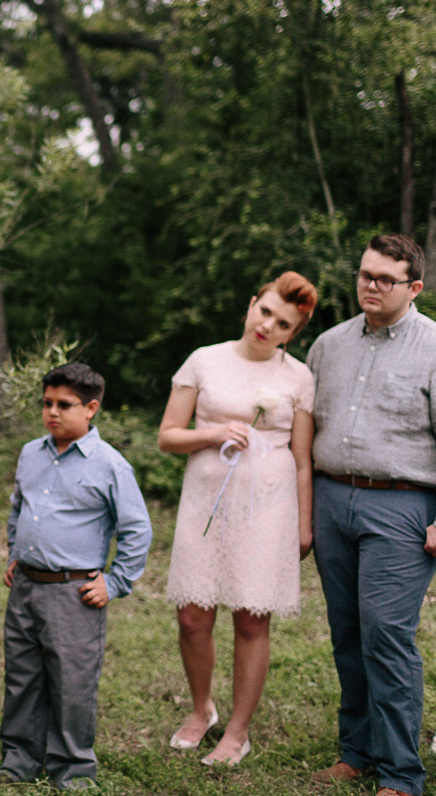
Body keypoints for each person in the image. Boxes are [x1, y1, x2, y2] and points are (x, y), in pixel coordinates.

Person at [307, 234, 436, 796]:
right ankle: (356, 751)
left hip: (404, 506)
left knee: (386, 633)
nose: (370, 286)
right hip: (332, 498)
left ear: (414, 287)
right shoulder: (329, 345)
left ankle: (401, 773)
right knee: (347, 631)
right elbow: (305, 426)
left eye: (384, 279)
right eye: (364, 275)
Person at [157, 271, 318, 765]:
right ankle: (201, 708)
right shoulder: (205, 360)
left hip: (269, 506)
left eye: (283, 323)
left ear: (293, 334)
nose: (268, 325)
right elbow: (168, 435)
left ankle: (238, 730)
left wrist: (304, 525)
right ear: (252, 304)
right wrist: (215, 433)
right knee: (192, 615)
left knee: (251, 619)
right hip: (206, 500)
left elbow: (303, 458)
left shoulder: (298, 378)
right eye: (265, 311)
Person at [0, 363, 152, 789]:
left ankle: (72, 765)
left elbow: (137, 528)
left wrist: (115, 581)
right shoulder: (31, 452)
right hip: (26, 584)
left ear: (92, 408)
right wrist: (15, 551)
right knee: (22, 675)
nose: (52, 412)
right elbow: (17, 507)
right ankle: (19, 756)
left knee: (72, 680)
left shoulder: (109, 465)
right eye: (47, 403)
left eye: (64, 405)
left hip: (74, 591)